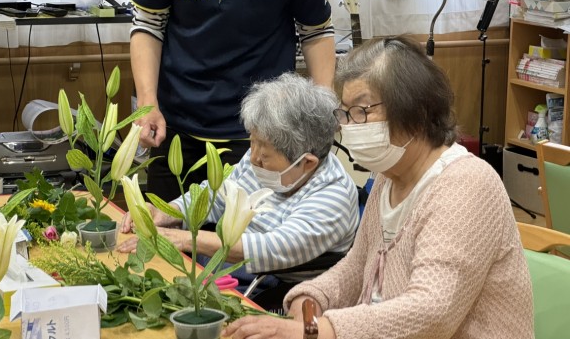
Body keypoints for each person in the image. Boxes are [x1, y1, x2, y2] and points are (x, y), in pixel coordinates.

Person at [223, 37, 534, 339]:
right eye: (345, 113)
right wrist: (313, 297)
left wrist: (320, 330)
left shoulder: (466, 185)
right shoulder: (390, 176)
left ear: (417, 113)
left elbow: (432, 312)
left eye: (362, 111)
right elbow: (358, 264)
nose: (349, 126)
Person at [129, 0, 336, 201]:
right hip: (174, 129)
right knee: (164, 226)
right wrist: (148, 104)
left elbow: (316, 33)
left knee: (244, 231)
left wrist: (325, 113)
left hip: (258, 137)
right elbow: (148, 25)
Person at [118, 72, 359, 294]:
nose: (253, 158)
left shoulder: (333, 196)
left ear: (306, 163)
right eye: (252, 142)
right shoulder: (263, 154)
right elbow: (217, 197)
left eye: (264, 155)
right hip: (226, 262)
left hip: (272, 286)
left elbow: (271, 248)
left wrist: (181, 238)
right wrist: (168, 212)